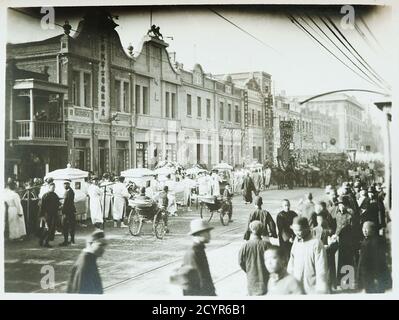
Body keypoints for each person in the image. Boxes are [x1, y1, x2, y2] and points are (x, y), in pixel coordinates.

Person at [287, 217, 329, 294]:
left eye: (299, 230)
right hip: (297, 287)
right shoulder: (296, 242)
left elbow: (321, 268)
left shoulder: (316, 243)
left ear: (307, 228)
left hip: (312, 287)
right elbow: (291, 264)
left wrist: (321, 287)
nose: (296, 233)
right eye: (294, 230)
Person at [182, 219, 216, 296]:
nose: (209, 235)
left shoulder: (199, 250)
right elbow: (198, 282)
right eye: (207, 232)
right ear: (200, 234)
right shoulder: (193, 253)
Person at [67, 230, 107, 294]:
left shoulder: (87, 258)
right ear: (91, 244)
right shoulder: (86, 264)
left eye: (105, 245)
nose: (103, 249)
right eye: (100, 245)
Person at [239, 221, 271, 295]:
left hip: (251, 277)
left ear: (251, 230)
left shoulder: (245, 246)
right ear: (262, 231)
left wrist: (248, 270)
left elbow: (241, 262)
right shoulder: (267, 245)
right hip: (265, 277)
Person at [357, 221, 390, 293]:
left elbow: (378, 261)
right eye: (363, 228)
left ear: (372, 230)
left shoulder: (376, 242)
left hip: (373, 275)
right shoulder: (365, 240)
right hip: (366, 275)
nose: (364, 230)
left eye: (367, 228)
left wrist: (376, 277)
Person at [335, 195, 356, 287]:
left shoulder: (350, 215)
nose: (341, 207)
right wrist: (335, 235)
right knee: (341, 259)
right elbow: (337, 227)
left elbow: (354, 227)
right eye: (339, 205)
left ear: (346, 205)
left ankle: (349, 280)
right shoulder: (338, 215)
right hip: (340, 240)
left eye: (343, 205)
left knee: (349, 259)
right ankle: (341, 279)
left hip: (349, 240)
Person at [39, 182, 61, 248]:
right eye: (52, 187)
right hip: (47, 214)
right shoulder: (45, 195)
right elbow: (42, 206)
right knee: (47, 228)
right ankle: (44, 241)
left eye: (54, 187)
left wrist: (60, 206)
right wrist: (42, 215)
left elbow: (58, 203)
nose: (53, 188)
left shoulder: (55, 195)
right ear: (49, 188)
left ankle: (44, 241)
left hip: (54, 214)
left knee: (51, 229)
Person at [60, 180, 76, 246]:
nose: (65, 186)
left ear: (69, 184)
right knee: (71, 226)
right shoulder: (70, 191)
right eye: (64, 184)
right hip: (71, 211)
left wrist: (62, 208)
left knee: (65, 226)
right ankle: (72, 240)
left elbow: (66, 203)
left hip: (67, 212)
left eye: (66, 184)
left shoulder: (68, 192)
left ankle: (66, 241)